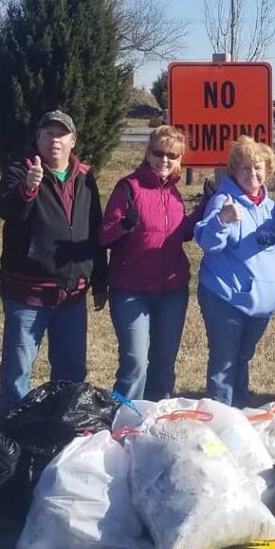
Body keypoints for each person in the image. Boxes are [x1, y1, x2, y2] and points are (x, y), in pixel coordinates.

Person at [0, 111, 107, 414]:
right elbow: (10, 212)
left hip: (72, 294)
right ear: (38, 139)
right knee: (18, 371)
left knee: (71, 371)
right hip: (28, 294)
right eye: (47, 134)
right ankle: (12, 430)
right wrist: (28, 188)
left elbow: (94, 230)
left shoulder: (85, 179)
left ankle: (63, 425)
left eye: (61, 134)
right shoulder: (20, 172)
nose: (54, 140)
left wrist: (99, 279)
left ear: (72, 141)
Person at [98, 125, 202, 402]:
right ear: (148, 152)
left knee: (164, 366)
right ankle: (124, 421)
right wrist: (124, 224)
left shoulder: (175, 194)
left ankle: (158, 420)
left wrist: (206, 205)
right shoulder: (129, 188)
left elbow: (183, 233)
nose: (165, 160)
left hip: (171, 291)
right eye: (159, 153)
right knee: (135, 364)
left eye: (172, 154)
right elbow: (103, 236)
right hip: (131, 291)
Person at [194, 135, 275, 408]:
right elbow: (208, 243)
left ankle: (239, 413)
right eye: (245, 167)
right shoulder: (224, 201)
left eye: (258, 167)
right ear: (234, 170)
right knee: (224, 363)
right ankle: (220, 418)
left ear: (267, 170)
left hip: (259, 304)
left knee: (242, 358)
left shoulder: (273, 209)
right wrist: (222, 220)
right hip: (226, 298)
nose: (252, 173)